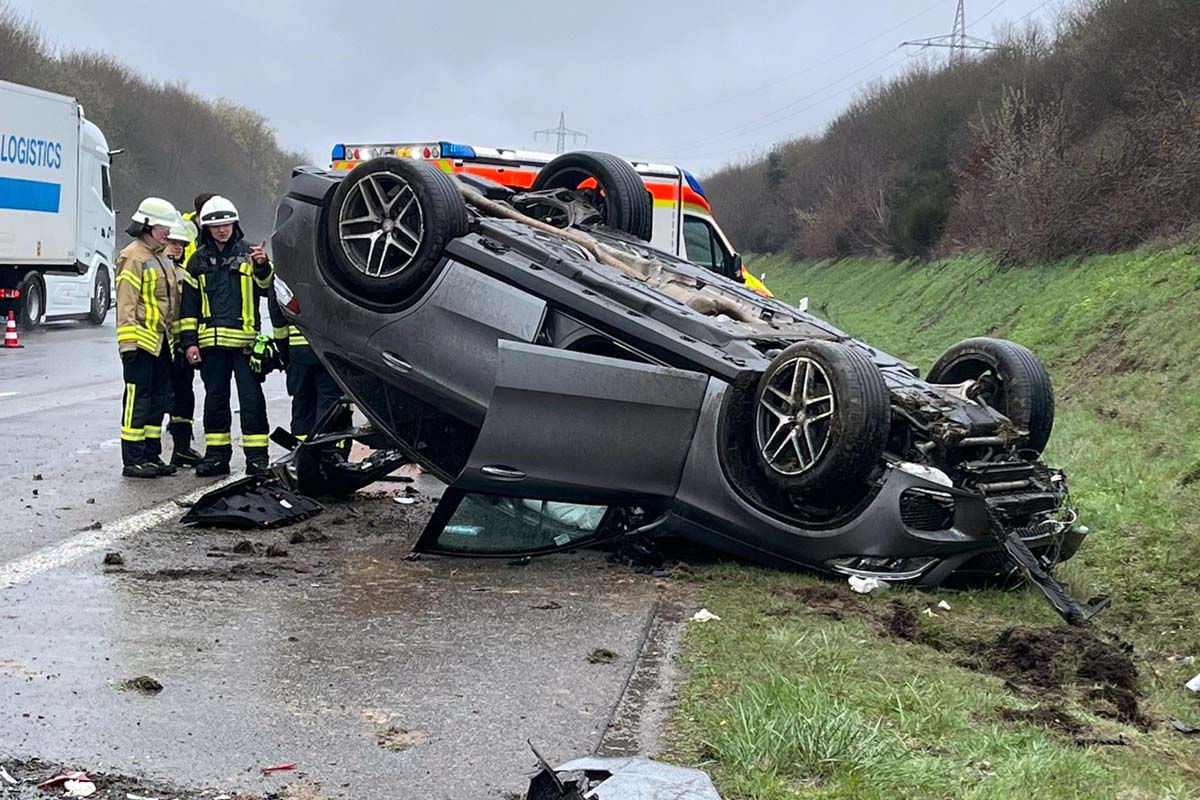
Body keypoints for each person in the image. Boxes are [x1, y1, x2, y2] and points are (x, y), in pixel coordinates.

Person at [177, 196, 274, 476]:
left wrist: (262, 266)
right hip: (211, 346)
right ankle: (217, 457)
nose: (222, 230)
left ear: (235, 224)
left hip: (245, 346)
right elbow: (189, 307)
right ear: (206, 228)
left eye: (227, 224)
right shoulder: (197, 262)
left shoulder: (250, 254)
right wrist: (189, 343)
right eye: (216, 225)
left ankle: (257, 459)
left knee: (252, 402)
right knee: (215, 402)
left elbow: (267, 288)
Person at [115, 197, 182, 479]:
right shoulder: (133, 256)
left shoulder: (162, 257)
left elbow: (172, 302)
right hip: (141, 343)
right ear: (146, 226)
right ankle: (132, 459)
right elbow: (126, 303)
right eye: (162, 227)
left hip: (162, 343)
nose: (167, 232)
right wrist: (127, 344)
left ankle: (151, 455)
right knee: (137, 400)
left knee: (158, 400)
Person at [269, 298, 350, 442]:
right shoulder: (328, 275)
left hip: (297, 353)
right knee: (331, 404)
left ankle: (303, 454)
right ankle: (331, 451)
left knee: (303, 405)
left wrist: (285, 354)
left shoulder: (285, 276)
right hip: (329, 349)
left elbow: (277, 315)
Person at [164, 215, 202, 466]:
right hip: (160, 346)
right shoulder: (155, 269)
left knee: (184, 398)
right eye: (173, 243)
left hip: (181, 346)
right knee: (158, 399)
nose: (178, 248)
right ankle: (147, 453)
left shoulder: (184, 274)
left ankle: (182, 448)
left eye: (182, 244)